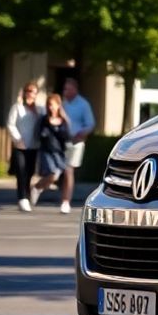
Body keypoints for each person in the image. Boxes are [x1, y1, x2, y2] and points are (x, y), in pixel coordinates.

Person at [59, 77, 95, 215]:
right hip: (62, 141)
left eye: (67, 89)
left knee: (69, 170)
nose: (65, 91)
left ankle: (65, 201)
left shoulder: (83, 104)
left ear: (75, 89)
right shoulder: (63, 104)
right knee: (58, 170)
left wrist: (81, 134)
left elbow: (90, 124)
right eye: (64, 89)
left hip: (76, 142)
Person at [30, 94, 72, 213]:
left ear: (58, 106)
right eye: (49, 105)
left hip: (60, 152)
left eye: (53, 105)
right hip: (46, 151)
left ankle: (64, 202)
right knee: (52, 175)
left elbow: (68, 137)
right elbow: (37, 134)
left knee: (63, 175)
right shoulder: (44, 120)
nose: (51, 107)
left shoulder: (63, 121)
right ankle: (37, 187)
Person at [6, 81, 43, 213]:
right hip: (20, 145)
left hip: (33, 145)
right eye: (28, 91)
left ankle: (27, 195)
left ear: (36, 94)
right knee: (21, 171)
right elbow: (10, 124)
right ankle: (22, 198)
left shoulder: (39, 109)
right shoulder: (17, 107)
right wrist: (17, 138)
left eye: (32, 92)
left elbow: (45, 122)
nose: (30, 94)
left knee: (30, 171)